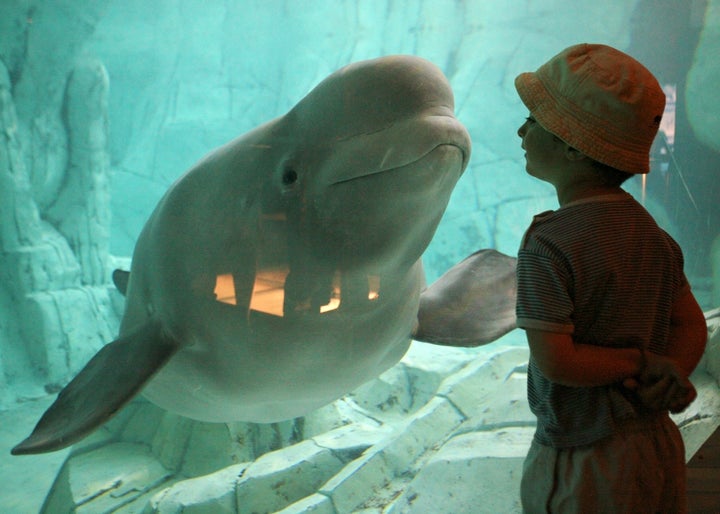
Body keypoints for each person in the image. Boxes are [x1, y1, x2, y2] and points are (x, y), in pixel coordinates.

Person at [514, 43, 708, 513]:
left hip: (583, 456)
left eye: (535, 120)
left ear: (570, 145)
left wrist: (640, 364)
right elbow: (690, 326)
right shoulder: (654, 237)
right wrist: (669, 372)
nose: (522, 130)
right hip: (656, 444)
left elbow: (557, 360)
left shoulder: (549, 242)